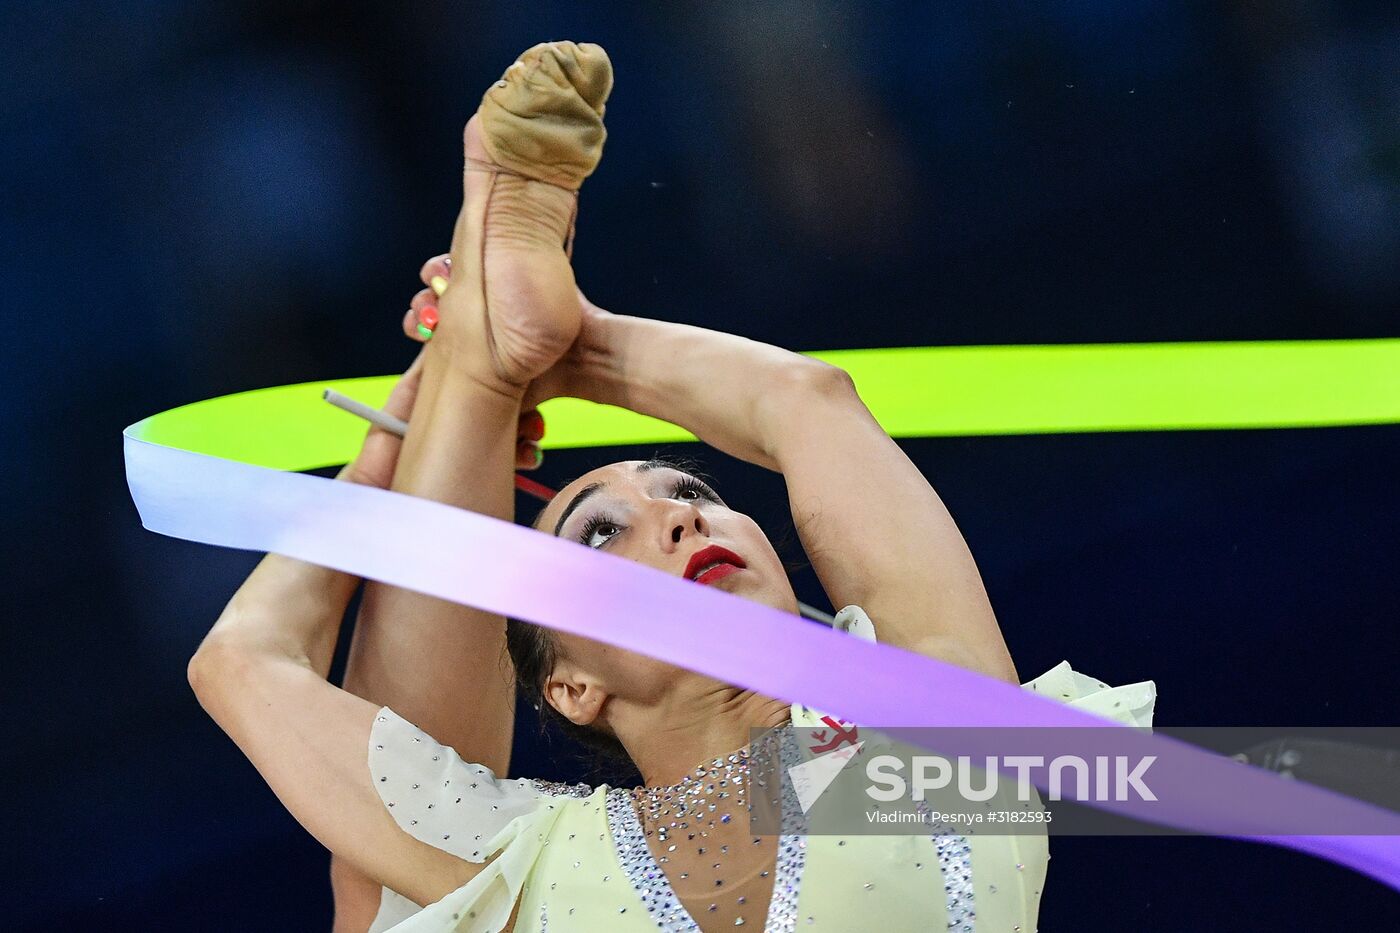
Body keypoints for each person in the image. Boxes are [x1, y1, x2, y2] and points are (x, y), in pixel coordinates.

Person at [188, 41, 1154, 932]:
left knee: (393, 883)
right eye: (604, 533)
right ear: (568, 685)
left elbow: (807, 399)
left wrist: (578, 345)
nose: (678, 514)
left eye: (687, 487)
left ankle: (487, 350)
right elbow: (236, 667)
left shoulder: (933, 745)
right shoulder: (520, 859)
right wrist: (384, 460)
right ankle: (481, 360)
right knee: (384, 893)